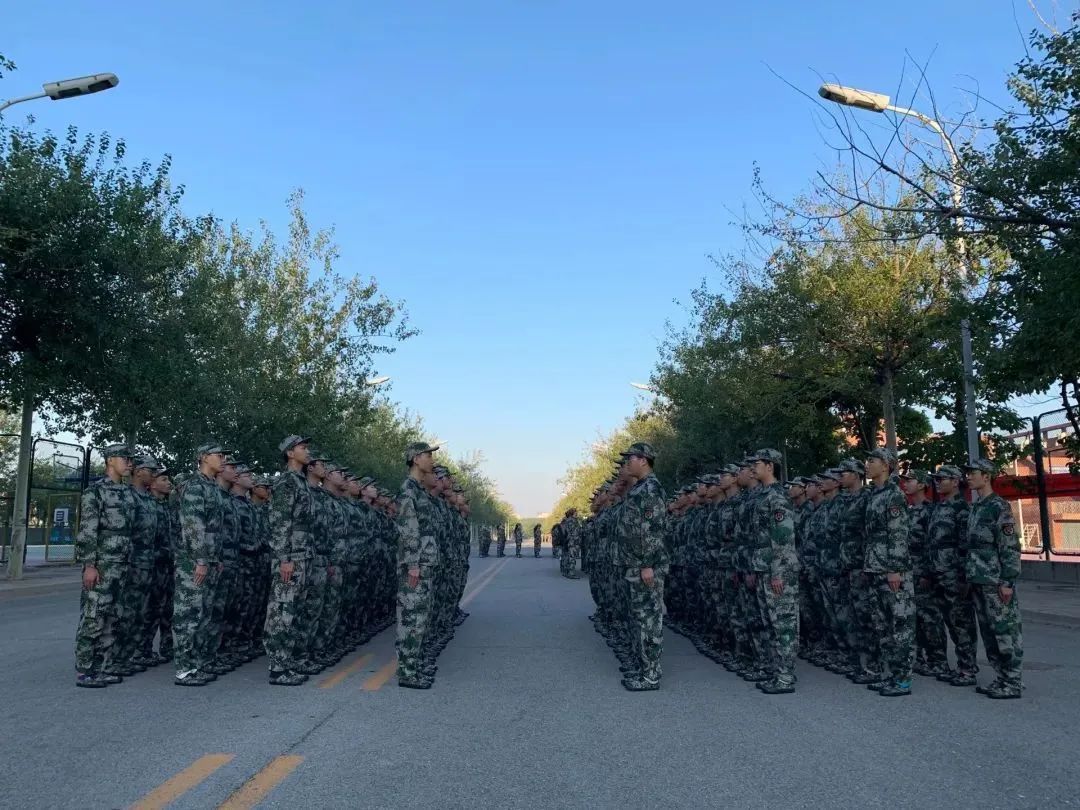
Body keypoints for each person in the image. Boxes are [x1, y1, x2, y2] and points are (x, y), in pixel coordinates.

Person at [74, 444, 136, 688]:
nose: (129, 463)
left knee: (113, 617)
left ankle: (103, 667)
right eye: (125, 458)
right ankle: (85, 670)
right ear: (111, 460)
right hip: (102, 564)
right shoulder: (96, 492)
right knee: (94, 616)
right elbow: (88, 530)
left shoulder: (127, 493)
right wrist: (89, 564)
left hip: (122, 564)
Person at [964, 459, 1023, 699]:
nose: (968, 477)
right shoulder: (977, 507)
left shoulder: (999, 507)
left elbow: (1009, 547)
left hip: (995, 580)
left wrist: (1008, 581)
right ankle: (1001, 678)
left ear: (986, 476)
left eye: (973, 473)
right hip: (978, 579)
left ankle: (1013, 680)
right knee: (988, 632)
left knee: (1004, 630)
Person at [615, 442, 669, 691]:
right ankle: (643, 666)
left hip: (646, 566)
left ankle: (651, 675)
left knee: (649, 620)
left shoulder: (651, 489)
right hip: (635, 565)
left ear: (644, 460)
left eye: (630, 459)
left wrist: (647, 564)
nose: (627, 464)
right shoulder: (640, 489)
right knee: (640, 619)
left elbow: (652, 531)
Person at [174, 443, 228, 687]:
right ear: (204, 458)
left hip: (209, 560)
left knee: (205, 614)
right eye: (219, 455)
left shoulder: (212, 487)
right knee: (189, 614)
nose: (223, 459)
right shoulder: (195, 486)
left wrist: (215, 560)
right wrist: (201, 561)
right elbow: (194, 527)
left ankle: (198, 662)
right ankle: (184, 668)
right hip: (194, 562)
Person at [863, 448, 915, 697]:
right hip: (875, 567)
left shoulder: (894, 496)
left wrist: (895, 569)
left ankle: (902, 678)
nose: (867, 464)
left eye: (872, 461)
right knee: (882, 626)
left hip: (891, 570)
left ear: (886, 466)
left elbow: (898, 535)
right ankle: (889, 674)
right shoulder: (875, 494)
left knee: (900, 624)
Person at [265, 435, 315, 686]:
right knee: (282, 611)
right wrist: (284, 558)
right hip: (290, 558)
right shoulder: (286, 483)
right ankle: (277, 667)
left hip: (301, 556)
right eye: (303, 448)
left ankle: (288, 661)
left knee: (295, 611)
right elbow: (280, 523)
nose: (308, 451)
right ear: (289, 453)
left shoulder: (300, 482)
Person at [748, 449, 800, 694]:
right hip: (764, 568)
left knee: (784, 624)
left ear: (770, 466)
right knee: (771, 623)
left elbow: (782, 537)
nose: (752, 467)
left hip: (778, 571)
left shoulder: (777, 497)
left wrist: (778, 572)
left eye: (756, 463)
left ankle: (786, 676)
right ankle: (777, 671)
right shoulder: (763, 495)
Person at [925, 465, 979, 685]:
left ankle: (967, 669)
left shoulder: (961, 509)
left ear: (956, 481)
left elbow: (966, 546)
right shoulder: (939, 507)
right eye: (936, 479)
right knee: (947, 620)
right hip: (938, 573)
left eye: (942, 479)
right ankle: (956, 665)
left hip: (954, 575)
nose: (937, 482)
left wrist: (964, 576)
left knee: (961, 622)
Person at [396, 441, 441, 689]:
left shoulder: (419, 490)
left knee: (420, 618)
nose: (430, 460)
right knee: (411, 618)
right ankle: (406, 671)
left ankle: (414, 665)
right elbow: (408, 530)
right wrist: (413, 563)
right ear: (415, 459)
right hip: (415, 565)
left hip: (424, 562)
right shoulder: (408, 490)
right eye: (427, 455)